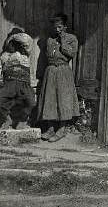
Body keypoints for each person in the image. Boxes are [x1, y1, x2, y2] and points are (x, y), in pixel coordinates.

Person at [37, 13, 79, 142]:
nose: (57, 30)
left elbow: (71, 53)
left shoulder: (72, 38)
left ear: (65, 27)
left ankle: (62, 128)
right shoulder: (50, 40)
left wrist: (62, 41)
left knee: (63, 99)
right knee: (49, 98)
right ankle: (50, 128)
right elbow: (47, 56)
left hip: (63, 70)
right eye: (55, 27)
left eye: (60, 27)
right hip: (51, 70)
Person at [0, 28, 36, 129]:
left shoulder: (24, 53)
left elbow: (27, 40)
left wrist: (13, 36)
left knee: (31, 102)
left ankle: (23, 120)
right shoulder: (3, 56)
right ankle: (7, 119)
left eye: (14, 43)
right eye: (10, 43)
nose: (12, 45)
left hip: (23, 83)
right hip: (8, 83)